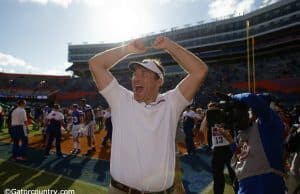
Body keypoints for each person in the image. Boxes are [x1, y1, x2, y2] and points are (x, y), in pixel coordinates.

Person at [89, 36, 208, 193]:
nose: (136, 78)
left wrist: (169, 45)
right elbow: (95, 64)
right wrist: (128, 49)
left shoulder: (171, 103)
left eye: (144, 74)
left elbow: (200, 71)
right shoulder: (121, 98)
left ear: (159, 81)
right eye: (135, 74)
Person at [218, 93, 286, 194]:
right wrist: (231, 141)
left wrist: (233, 98)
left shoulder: (267, 125)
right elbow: (243, 155)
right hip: (245, 186)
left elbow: (251, 98)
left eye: (250, 110)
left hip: (264, 185)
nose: (249, 113)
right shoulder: (246, 131)